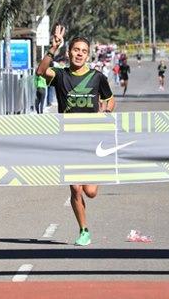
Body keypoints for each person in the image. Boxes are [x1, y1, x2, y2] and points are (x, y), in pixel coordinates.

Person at [36, 24, 115, 247]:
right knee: (75, 188)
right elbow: (41, 71)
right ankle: (83, 230)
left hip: (92, 141)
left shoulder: (97, 77)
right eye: (76, 50)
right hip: (68, 141)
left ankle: (97, 176)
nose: (79, 54)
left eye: (84, 51)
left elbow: (110, 100)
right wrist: (53, 47)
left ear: (88, 55)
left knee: (90, 192)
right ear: (69, 52)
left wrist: (106, 111)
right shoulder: (61, 75)